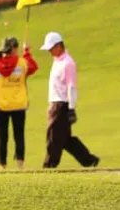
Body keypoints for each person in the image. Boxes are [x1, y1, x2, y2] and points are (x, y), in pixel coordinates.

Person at [39, 32, 100, 169]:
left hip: (61, 105)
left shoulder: (68, 64)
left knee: (53, 137)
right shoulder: (58, 61)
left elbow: (71, 87)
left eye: (51, 48)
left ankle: (49, 167)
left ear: (59, 46)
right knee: (65, 139)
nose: (49, 51)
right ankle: (89, 160)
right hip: (56, 103)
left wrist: (71, 108)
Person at [0, 36, 39, 169]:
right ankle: (20, 163)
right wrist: (27, 52)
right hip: (19, 105)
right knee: (19, 135)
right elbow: (34, 67)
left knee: (2, 137)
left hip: (1, 106)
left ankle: (2, 165)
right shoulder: (22, 62)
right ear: (13, 49)